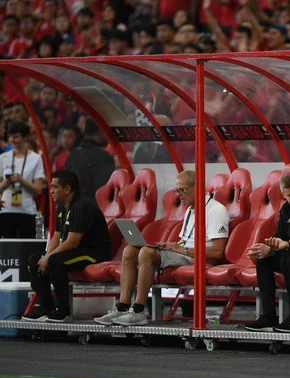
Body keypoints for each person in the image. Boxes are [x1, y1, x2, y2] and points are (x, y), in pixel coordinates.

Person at [93, 170, 230, 326]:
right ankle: (122, 307)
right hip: (184, 253)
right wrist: (173, 246)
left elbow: (217, 252)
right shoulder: (191, 210)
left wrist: (181, 249)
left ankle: (138, 311)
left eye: (182, 190)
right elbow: (187, 242)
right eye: (176, 190)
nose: (178, 194)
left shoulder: (216, 210)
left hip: (196, 257)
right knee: (130, 250)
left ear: (197, 187)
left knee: (146, 253)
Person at [22, 171, 111, 322]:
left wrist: (49, 258)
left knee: (55, 261)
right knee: (34, 259)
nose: (51, 191)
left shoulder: (82, 206)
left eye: (55, 187)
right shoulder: (63, 207)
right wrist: (45, 256)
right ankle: (46, 307)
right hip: (76, 251)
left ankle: (63, 310)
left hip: (94, 253)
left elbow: (72, 242)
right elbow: (56, 237)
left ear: (67, 189)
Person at [245, 172, 290, 333]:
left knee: (288, 259)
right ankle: (268, 315)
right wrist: (267, 247)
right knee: (264, 259)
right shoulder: (286, 209)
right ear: (284, 195)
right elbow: (279, 234)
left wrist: (281, 245)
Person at [0, 121, 45, 238]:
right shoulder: (3, 157)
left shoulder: (36, 159)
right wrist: (5, 184)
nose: (12, 140)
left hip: (27, 210)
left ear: (25, 137)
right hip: (5, 209)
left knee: (26, 248)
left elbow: (38, 189)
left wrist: (21, 180)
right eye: (10, 136)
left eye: (16, 137)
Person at [65, 118, 115, 205]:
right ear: (99, 132)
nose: (109, 137)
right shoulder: (103, 156)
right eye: (107, 132)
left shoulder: (72, 156)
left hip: (74, 210)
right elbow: (107, 191)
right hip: (95, 211)